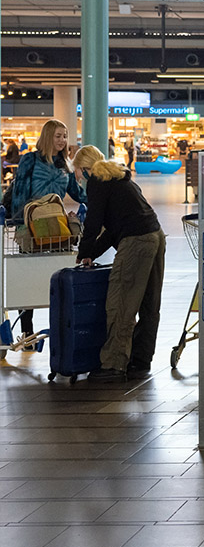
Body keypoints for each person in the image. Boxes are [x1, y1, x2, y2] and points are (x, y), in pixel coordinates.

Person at [72, 145, 166, 383]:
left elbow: (93, 223)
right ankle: (141, 358)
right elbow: (113, 231)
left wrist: (83, 252)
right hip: (156, 234)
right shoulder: (118, 178)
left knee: (120, 302)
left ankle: (114, 364)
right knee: (149, 303)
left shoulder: (96, 181)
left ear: (84, 169)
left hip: (137, 242)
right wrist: (91, 253)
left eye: (78, 172)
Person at [6, 120, 87, 347]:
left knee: (58, 277)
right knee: (28, 277)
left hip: (56, 228)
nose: (62, 141)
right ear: (47, 136)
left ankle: (60, 329)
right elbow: (20, 191)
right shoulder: (30, 159)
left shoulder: (64, 164)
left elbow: (77, 193)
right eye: (58, 136)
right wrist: (21, 222)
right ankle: (28, 332)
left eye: (65, 136)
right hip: (31, 225)